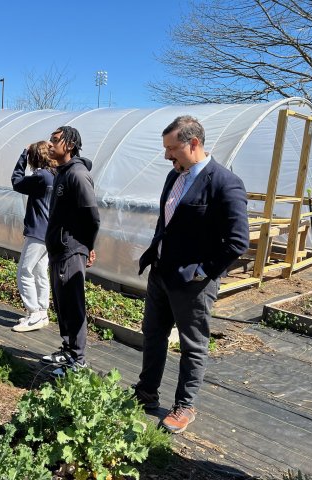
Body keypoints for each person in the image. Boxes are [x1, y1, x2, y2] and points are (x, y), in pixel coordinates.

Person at [135, 116, 249, 434]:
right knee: (153, 336)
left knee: (193, 345)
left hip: (192, 283)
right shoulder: (176, 177)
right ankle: (146, 393)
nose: (167, 155)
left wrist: (203, 272)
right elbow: (167, 223)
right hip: (161, 274)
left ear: (193, 143)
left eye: (172, 148)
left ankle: (184, 405)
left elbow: (238, 241)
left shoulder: (225, 183)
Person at [40, 126, 100, 377]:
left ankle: (78, 359)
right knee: (61, 302)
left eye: (55, 140)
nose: (50, 144)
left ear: (70, 145)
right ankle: (68, 349)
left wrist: (88, 246)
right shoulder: (61, 173)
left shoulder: (77, 174)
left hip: (71, 250)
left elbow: (92, 216)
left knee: (73, 304)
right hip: (58, 250)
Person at [10, 141, 56, 332]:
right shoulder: (55, 175)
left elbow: (17, 181)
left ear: (34, 157)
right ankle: (42, 312)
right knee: (39, 272)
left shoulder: (41, 176)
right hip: (49, 231)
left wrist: (23, 153)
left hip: (38, 231)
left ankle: (34, 313)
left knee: (24, 272)